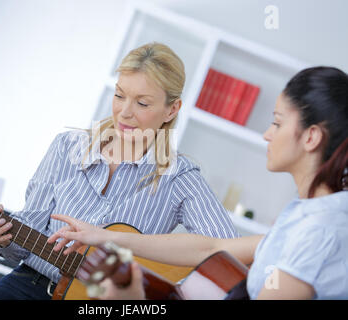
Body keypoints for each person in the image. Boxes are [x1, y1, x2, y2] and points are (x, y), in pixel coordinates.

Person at [0, 42, 238, 300]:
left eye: (142, 102)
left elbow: (228, 251)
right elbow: (24, 247)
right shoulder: (67, 147)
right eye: (120, 95)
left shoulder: (179, 177)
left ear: (171, 110)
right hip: (28, 288)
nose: (125, 112)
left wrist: (165, 293)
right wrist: (2, 238)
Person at [48, 66, 348, 300]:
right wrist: (106, 237)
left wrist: (134, 301)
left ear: (311, 137)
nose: (267, 135)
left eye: (278, 122)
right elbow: (213, 246)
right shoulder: (308, 215)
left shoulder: (319, 229)